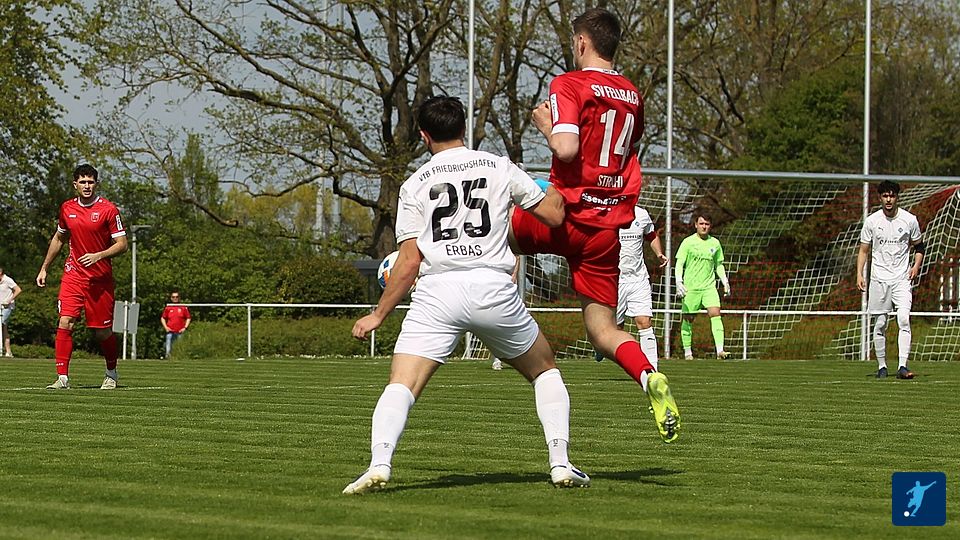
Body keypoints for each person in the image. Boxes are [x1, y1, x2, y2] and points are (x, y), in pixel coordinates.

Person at [345, 95, 589, 494]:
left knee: (402, 384)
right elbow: (554, 214)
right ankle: (560, 463)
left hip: (438, 292)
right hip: (493, 287)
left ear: (424, 136)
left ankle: (379, 464)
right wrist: (562, 169)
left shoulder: (414, 184)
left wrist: (378, 314)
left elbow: (408, 262)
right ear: (464, 128)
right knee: (545, 370)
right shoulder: (498, 165)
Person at [512, 7, 680, 443]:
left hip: (563, 215)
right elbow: (627, 145)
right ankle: (648, 376)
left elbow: (567, 149)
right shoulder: (632, 94)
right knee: (603, 330)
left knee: (498, 229)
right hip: (607, 230)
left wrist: (546, 126)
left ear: (582, 42)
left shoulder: (569, 84)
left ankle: (450, 295)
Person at [36, 164, 128, 390]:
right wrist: (44, 267)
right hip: (73, 275)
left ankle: (111, 373)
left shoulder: (108, 209)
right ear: (75, 184)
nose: (87, 186)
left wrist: (99, 255)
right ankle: (62, 378)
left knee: (102, 332)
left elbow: (122, 244)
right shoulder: (67, 208)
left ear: (96, 184)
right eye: (83, 182)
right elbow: (59, 238)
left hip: (100, 280)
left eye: (91, 182)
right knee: (65, 321)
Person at [856, 180, 923, 380]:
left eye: (892, 195)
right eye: (885, 196)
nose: (888, 199)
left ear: (897, 197)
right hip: (879, 279)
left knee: (903, 319)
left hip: (901, 279)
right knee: (880, 324)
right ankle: (882, 367)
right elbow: (864, 250)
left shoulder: (909, 220)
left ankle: (902, 366)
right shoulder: (872, 221)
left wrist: (916, 266)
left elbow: (919, 246)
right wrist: (859, 274)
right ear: (880, 198)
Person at [606, 206, 668, 365]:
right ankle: (602, 347)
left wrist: (659, 253)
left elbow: (652, 236)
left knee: (644, 322)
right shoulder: (607, 212)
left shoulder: (642, 214)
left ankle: (652, 370)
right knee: (614, 328)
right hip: (615, 280)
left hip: (638, 278)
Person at [675, 214, 731, 360]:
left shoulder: (715, 243)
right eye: (701, 223)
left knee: (715, 313)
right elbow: (679, 263)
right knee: (688, 319)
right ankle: (688, 353)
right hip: (691, 288)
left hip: (709, 287)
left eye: (707, 224)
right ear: (695, 225)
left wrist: (725, 281)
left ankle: (720, 351)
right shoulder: (688, 242)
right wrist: (679, 281)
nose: (704, 226)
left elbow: (718, 265)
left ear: (710, 226)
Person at [161, 290, 192, 358]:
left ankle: (179, 357)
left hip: (180, 331)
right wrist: (166, 327)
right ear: (171, 298)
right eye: (173, 297)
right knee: (168, 346)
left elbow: (188, 318)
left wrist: (185, 328)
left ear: (179, 298)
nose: (175, 298)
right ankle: (168, 357)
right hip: (170, 331)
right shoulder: (168, 307)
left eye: (176, 297)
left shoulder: (183, 307)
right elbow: (163, 318)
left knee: (179, 347)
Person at [0, 267, 23, 357]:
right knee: (3, 328)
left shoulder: (8, 280)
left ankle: (7, 351)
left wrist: (9, 300)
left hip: (7, 307)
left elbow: (18, 290)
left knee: (2, 324)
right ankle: (8, 351)